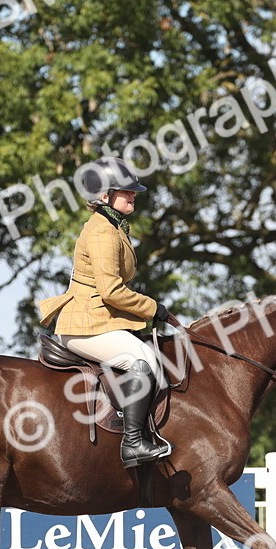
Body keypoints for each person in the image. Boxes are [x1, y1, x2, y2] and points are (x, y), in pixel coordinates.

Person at [37, 156, 173, 468]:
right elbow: (111, 290)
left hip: (97, 320)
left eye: (132, 190)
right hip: (85, 325)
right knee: (143, 361)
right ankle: (133, 443)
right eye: (125, 190)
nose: (133, 194)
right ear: (103, 196)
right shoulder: (103, 233)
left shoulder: (112, 226)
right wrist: (152, 308)